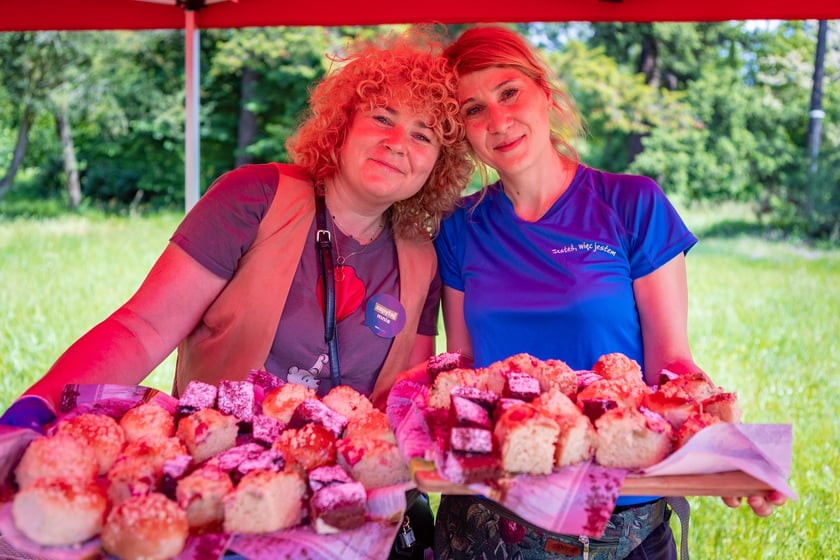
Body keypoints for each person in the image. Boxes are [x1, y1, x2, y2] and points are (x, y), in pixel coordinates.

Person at [0, 28, 472, 560]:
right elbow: (143, 329)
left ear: (438, 164)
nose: (397, 142)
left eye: (423, 135)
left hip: (350, 517)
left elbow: (405, 398)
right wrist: (39, 406)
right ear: (344, 124)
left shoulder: (422, 256)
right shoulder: (255, 197)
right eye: (382, 118)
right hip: (220, 504)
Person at [432, 25, 787, 560]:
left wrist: (724, 447)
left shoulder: (632, 204)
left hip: (622, 515)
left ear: (544, 92)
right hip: (493, 517)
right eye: (473, 109)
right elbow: (464, 376)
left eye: (509, 92)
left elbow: (672, 364)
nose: (498, 121)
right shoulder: (460, 227)